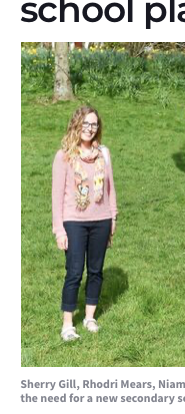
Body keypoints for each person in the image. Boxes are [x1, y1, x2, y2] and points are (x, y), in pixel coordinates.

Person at [52, 106, 117, 341]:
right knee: (74, 272)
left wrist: (113, 218)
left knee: (96, 271)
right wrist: (59, 229)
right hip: (74, 222)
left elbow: (110, 189)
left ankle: (90, 317)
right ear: (77, 125)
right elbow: (56, 196)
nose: (90, 129)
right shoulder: (65, 156)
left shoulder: (103, 154)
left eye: (94, 125)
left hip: (101, 220)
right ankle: (68, 324)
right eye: (86, 124)